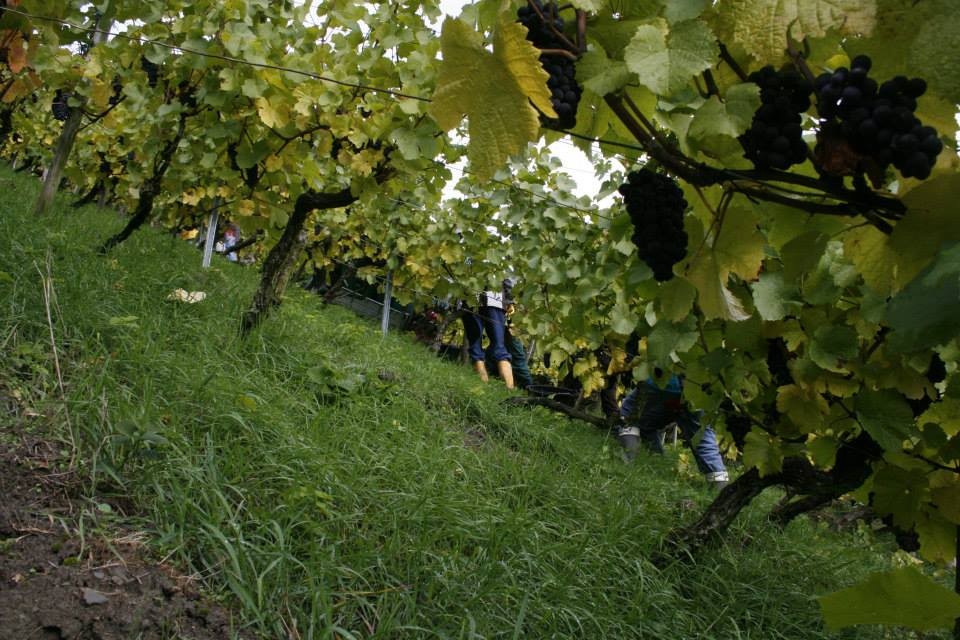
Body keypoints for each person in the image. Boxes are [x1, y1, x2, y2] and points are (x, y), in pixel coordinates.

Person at [618, 371, 729, 488]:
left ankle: (629, 465)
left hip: (663, 383)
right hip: (696, 390)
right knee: (701, 436)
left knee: (630, 416)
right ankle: (721, 486)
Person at [463, 277, 515, 389]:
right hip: (494, 299)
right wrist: (510, 300)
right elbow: (507, 276)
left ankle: (483, 387)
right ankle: (509, 390)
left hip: (471, 298)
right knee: (499, 347)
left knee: (475, 347)